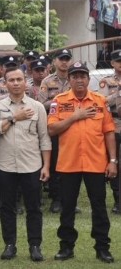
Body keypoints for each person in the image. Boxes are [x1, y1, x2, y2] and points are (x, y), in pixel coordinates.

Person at [48, 61, 117, 263]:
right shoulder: (59, 101)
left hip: (96, 164)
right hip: (68, 164)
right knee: (67, 208)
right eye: (75, 76)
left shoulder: (100, 101)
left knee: (99, 208)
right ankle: (66, 247)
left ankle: (102, 248)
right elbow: (52, 129)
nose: (79, 79)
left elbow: (109, 132)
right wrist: (74, 117)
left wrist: (113, 161)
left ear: (88, 79)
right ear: (69, 79)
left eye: (83, 76)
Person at [0, 67, 51, 262]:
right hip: (6, 166)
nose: (15, 83)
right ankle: (10, 245)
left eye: (19, 79)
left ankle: (35, 246)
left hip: (31, 166)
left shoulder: (38, 107)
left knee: (34, 208)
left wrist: (46, 166)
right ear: (5, 84)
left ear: (25, 82)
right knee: (7, 207)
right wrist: (15, 117)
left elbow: (44, 139)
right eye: (11, 80)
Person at [40, 48, 73, 214]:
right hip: (53, 127)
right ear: (54, 62)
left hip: (72, 128)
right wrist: (59, 101)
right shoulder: (47, 82)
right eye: (61, 58)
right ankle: (56, 199)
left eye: (67, 59)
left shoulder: (75, 78)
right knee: (54, 164)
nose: (64, 62)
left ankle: (69, 199)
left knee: (71, 164)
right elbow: (41, 104)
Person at [97, 49, 121, 214]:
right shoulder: (107, 81)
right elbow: (102, 101)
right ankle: (118, 200)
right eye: (118, 61)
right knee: (115, 163)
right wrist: (118, 92)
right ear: (112, 63)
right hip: (115, 124)